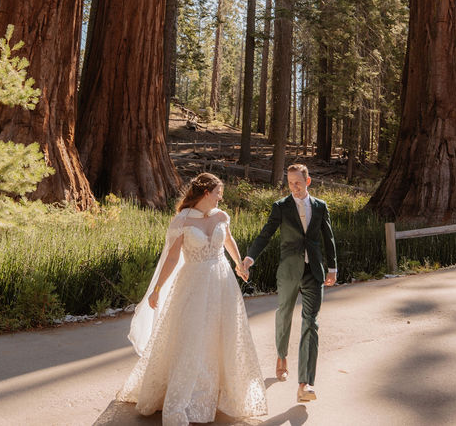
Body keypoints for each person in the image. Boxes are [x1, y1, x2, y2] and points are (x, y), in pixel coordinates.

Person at [119, 173, 267, 425]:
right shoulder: (182, 220)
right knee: (191, 337)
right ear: (207, 192)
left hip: (222, 282)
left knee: (222, 335)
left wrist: (239, 265)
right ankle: (183, 397)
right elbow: (172, 257)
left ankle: (219, 393)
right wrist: (156, 289)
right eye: (219, 192)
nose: (222, 196)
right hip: (194, 284)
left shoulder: (222, 216)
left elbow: (228, 240)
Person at [240, 164, 337, 403]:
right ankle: (281, 355)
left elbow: (329, 237)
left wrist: (332, 268)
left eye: (298, 182)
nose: (293, 186)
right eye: (290, 182)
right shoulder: (281, 207)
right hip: (288, 270)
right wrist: (250, 258)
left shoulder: (320, 206)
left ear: (308, 181)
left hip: (314, 271)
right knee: (284, 313)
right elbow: (266, 234)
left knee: (310, 324)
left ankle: (305, 384)